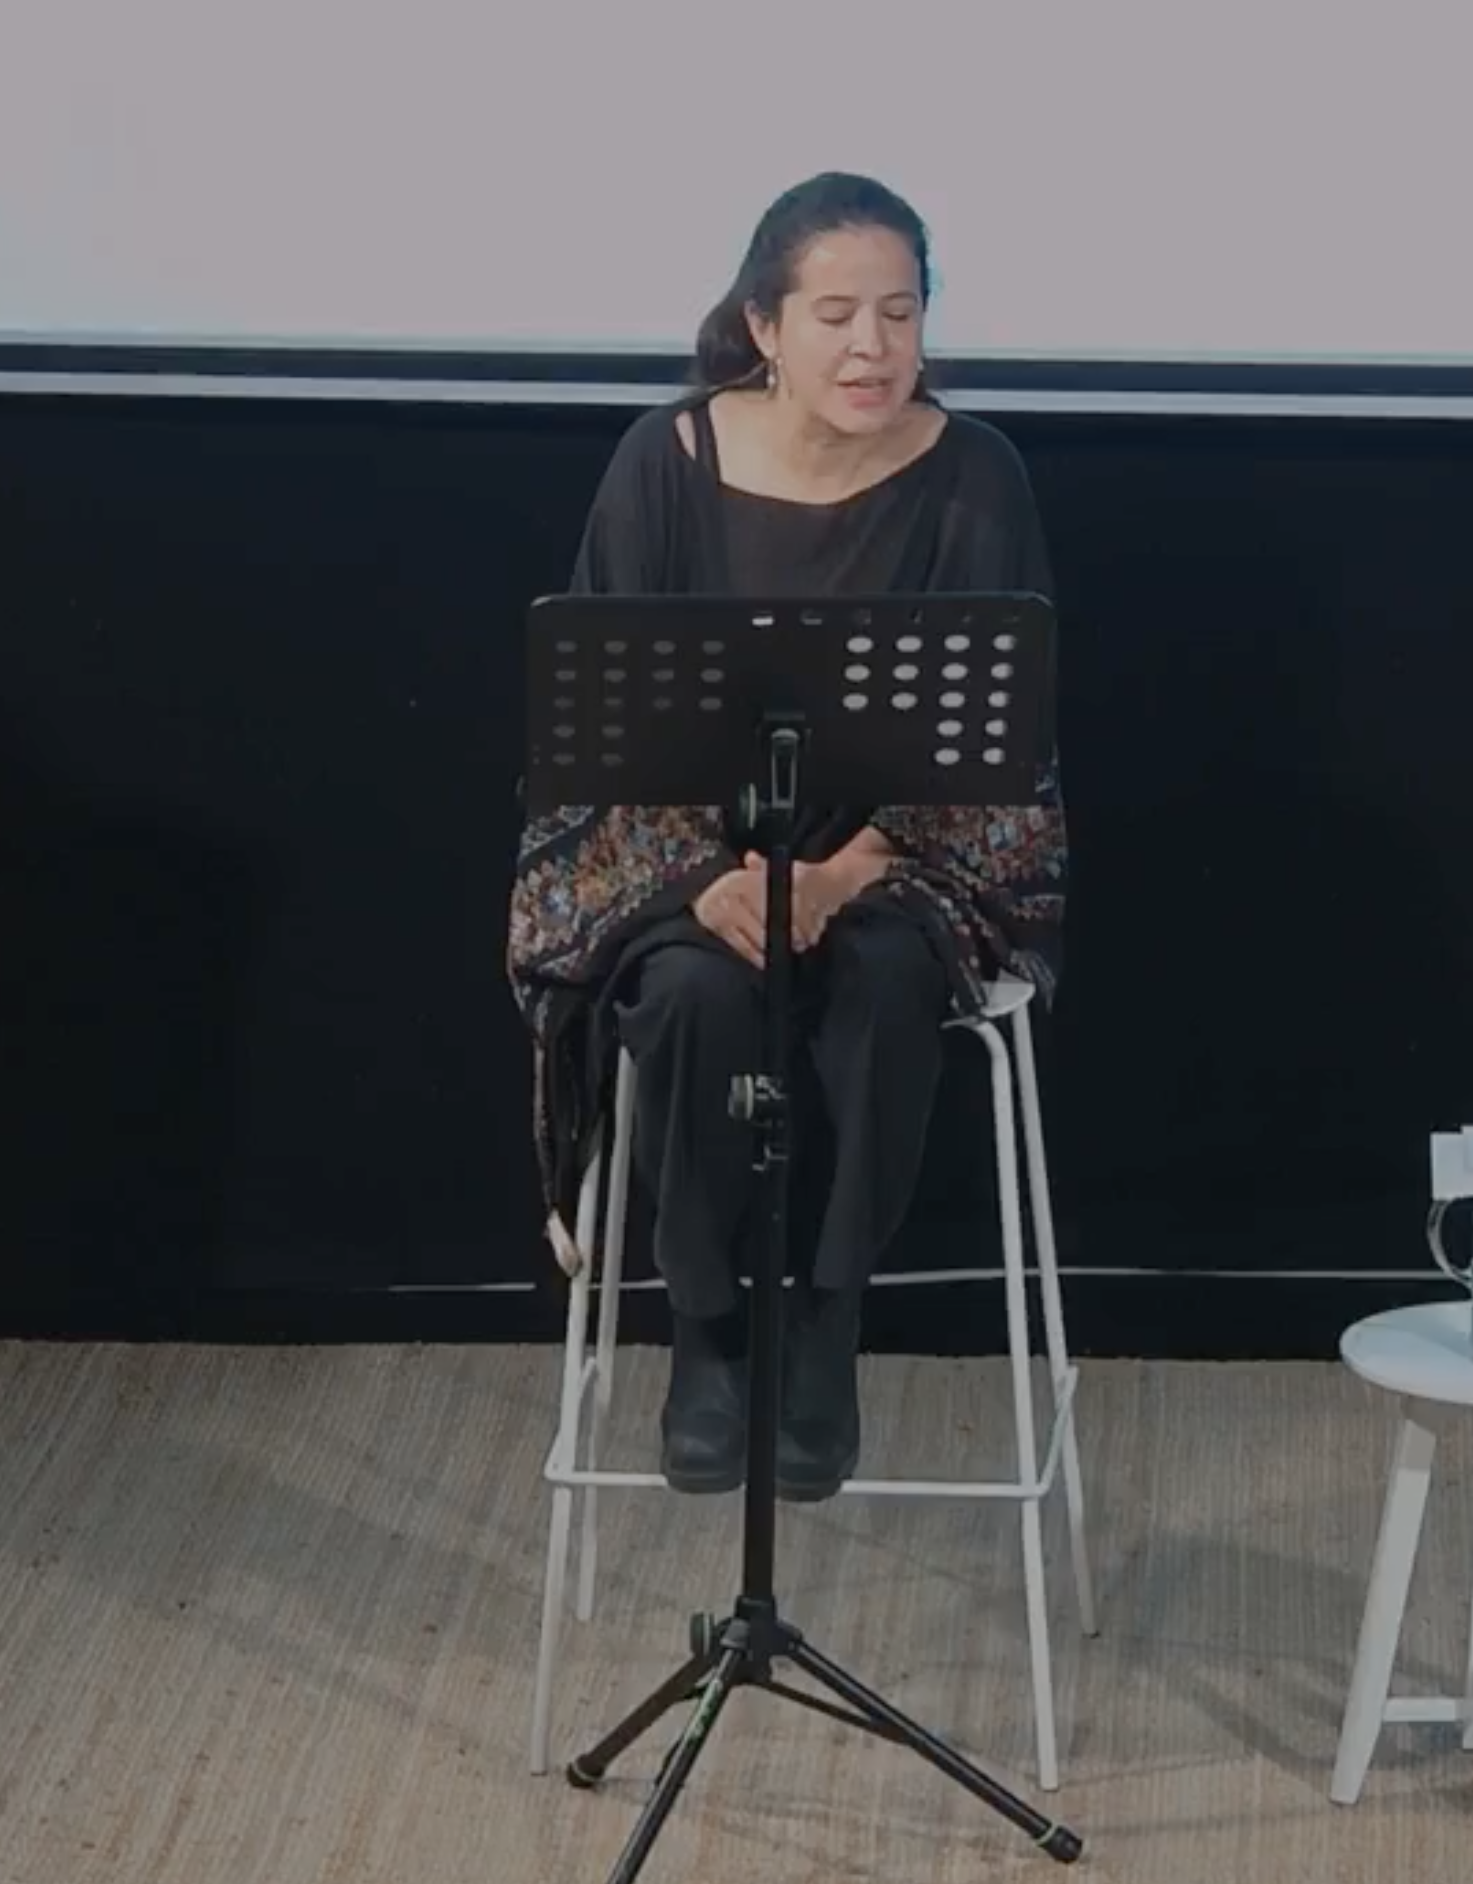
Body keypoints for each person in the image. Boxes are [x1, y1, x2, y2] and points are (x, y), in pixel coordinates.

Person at [505, 173, 1069, 1503]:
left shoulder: (976, 475)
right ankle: (706, 1330)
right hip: (688, 867)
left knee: (881, 978)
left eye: (900, 313)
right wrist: (713, 881)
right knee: (693, 996)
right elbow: (597, 732)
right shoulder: (665, 461)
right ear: (764, 325)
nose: (873, 346)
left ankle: (823, 1323)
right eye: (836, 314)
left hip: (894, 862)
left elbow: (1001, 743)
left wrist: (838, 874)